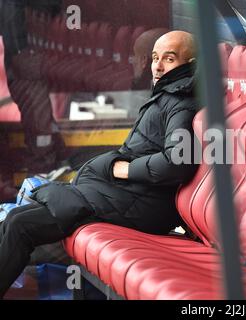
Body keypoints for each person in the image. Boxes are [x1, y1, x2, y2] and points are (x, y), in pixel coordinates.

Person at [0, 30, 200, 298]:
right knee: (15, 217)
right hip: (126, 195)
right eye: (154, 58)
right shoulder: (168, 94)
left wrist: (123, 169)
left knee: (19, 225)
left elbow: (176, 163)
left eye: (169, 59)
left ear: (190, 63)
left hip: (141, 204)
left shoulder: (181, 102)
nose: (158, 66)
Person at [0, 0, 65, 172]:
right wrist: (20, 51)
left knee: (44, 126)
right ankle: (42, 170)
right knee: (40, 127)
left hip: (35, 56)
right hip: (22, 62)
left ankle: (51, 161)